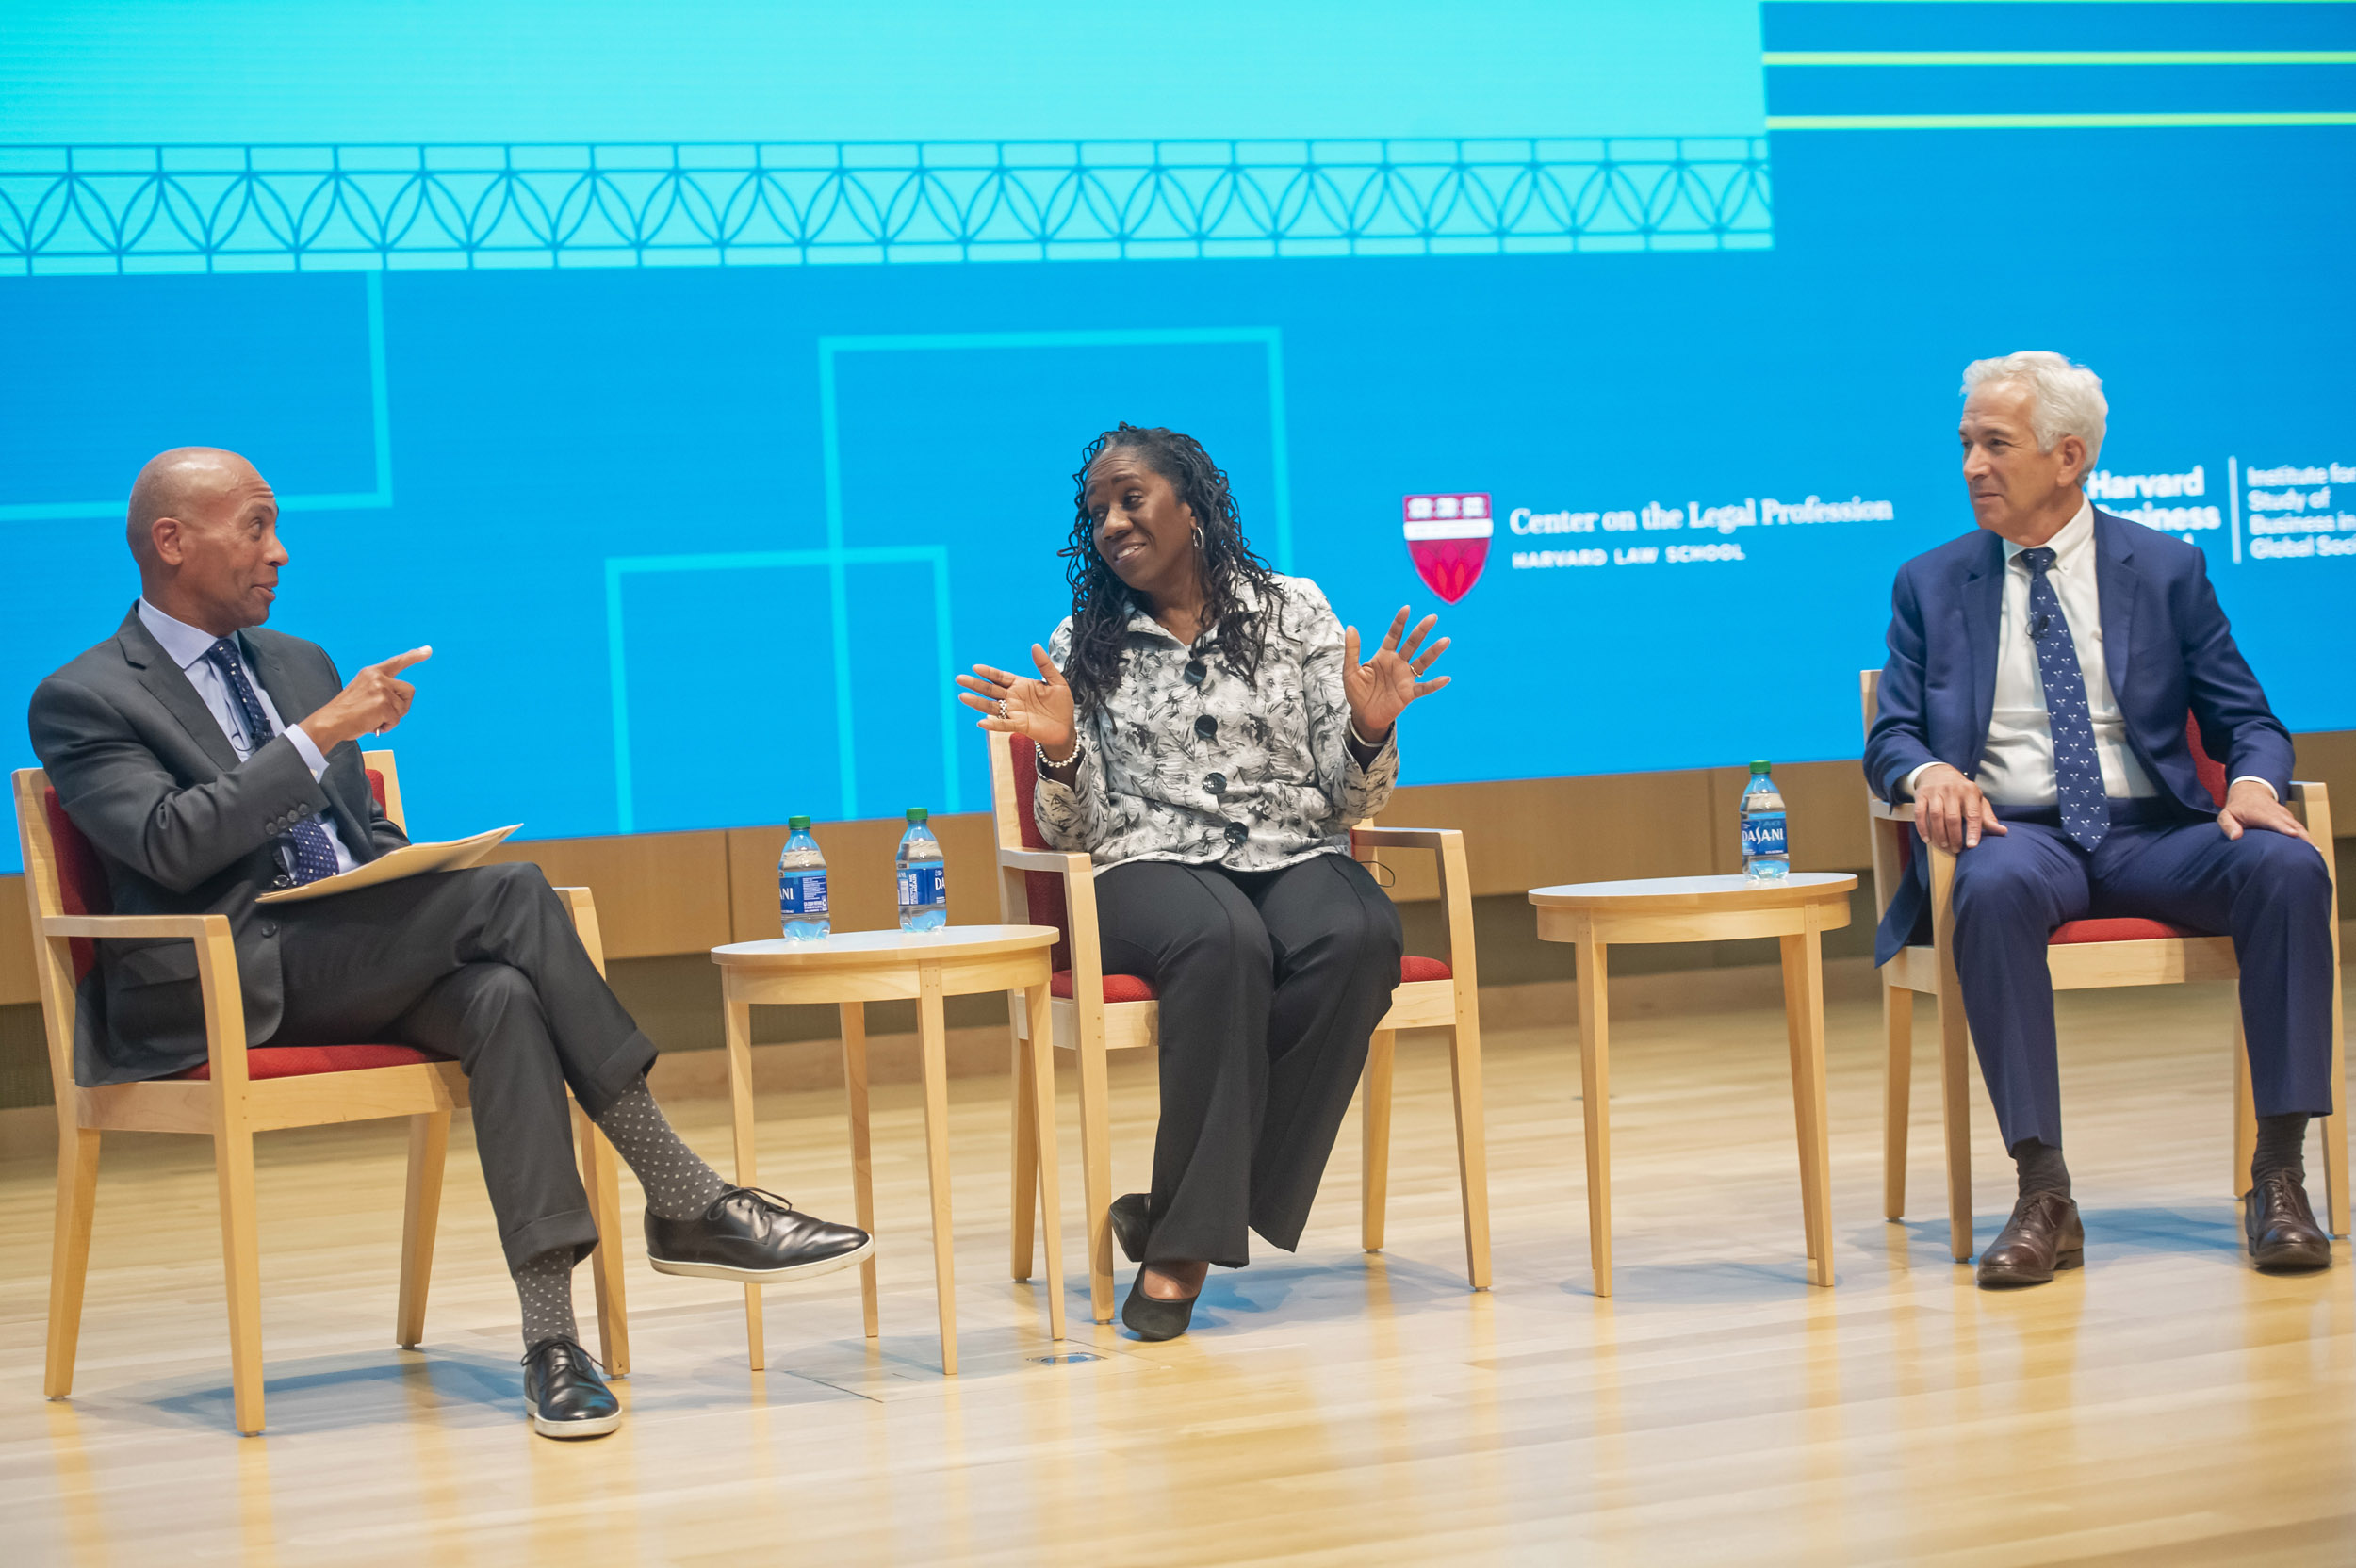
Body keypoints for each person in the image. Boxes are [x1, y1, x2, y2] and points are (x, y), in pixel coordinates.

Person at [29, 448, 871, 1438]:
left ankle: (552, 1339)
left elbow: (353, 834)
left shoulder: (298, 661)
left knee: (502, 995)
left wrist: (405, 863)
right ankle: (686, 1193)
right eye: (256, 526)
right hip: (227, 971)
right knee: (512, 896)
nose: (281, 551)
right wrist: (312, 737)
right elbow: (171, 844)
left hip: (346, 947)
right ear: (171, 540)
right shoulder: (86, 696)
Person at [955, 423, 1449, 1340]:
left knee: (1362, 931)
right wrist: (1060, 749)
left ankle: (1185, 1203)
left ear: (1193, 504)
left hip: (1289, 848)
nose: (1110, 521)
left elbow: (1344, 797)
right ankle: (1181, 1253)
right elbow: (1077, 832)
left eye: (1129, 497)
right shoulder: (1083, 642)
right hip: (1144, 866)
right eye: (1095, 508)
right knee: (1225, 941)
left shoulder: (1293, 611)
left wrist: (1370, 730)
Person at [1865, 353, 2335, 1287]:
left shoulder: (2163, 568)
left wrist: (2252, 782)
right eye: (1964, 444)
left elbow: (2248, 720)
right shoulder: (1930, 583)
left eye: (1995, 445)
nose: (1971, 466)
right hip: (2019, 833)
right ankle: (2043, 1191)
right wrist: (1930, 774)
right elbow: (1892, 737)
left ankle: (2279, 1177)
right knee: (1988, 891)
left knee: (2290, 868)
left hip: (2155, 829)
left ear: (2067, 455)